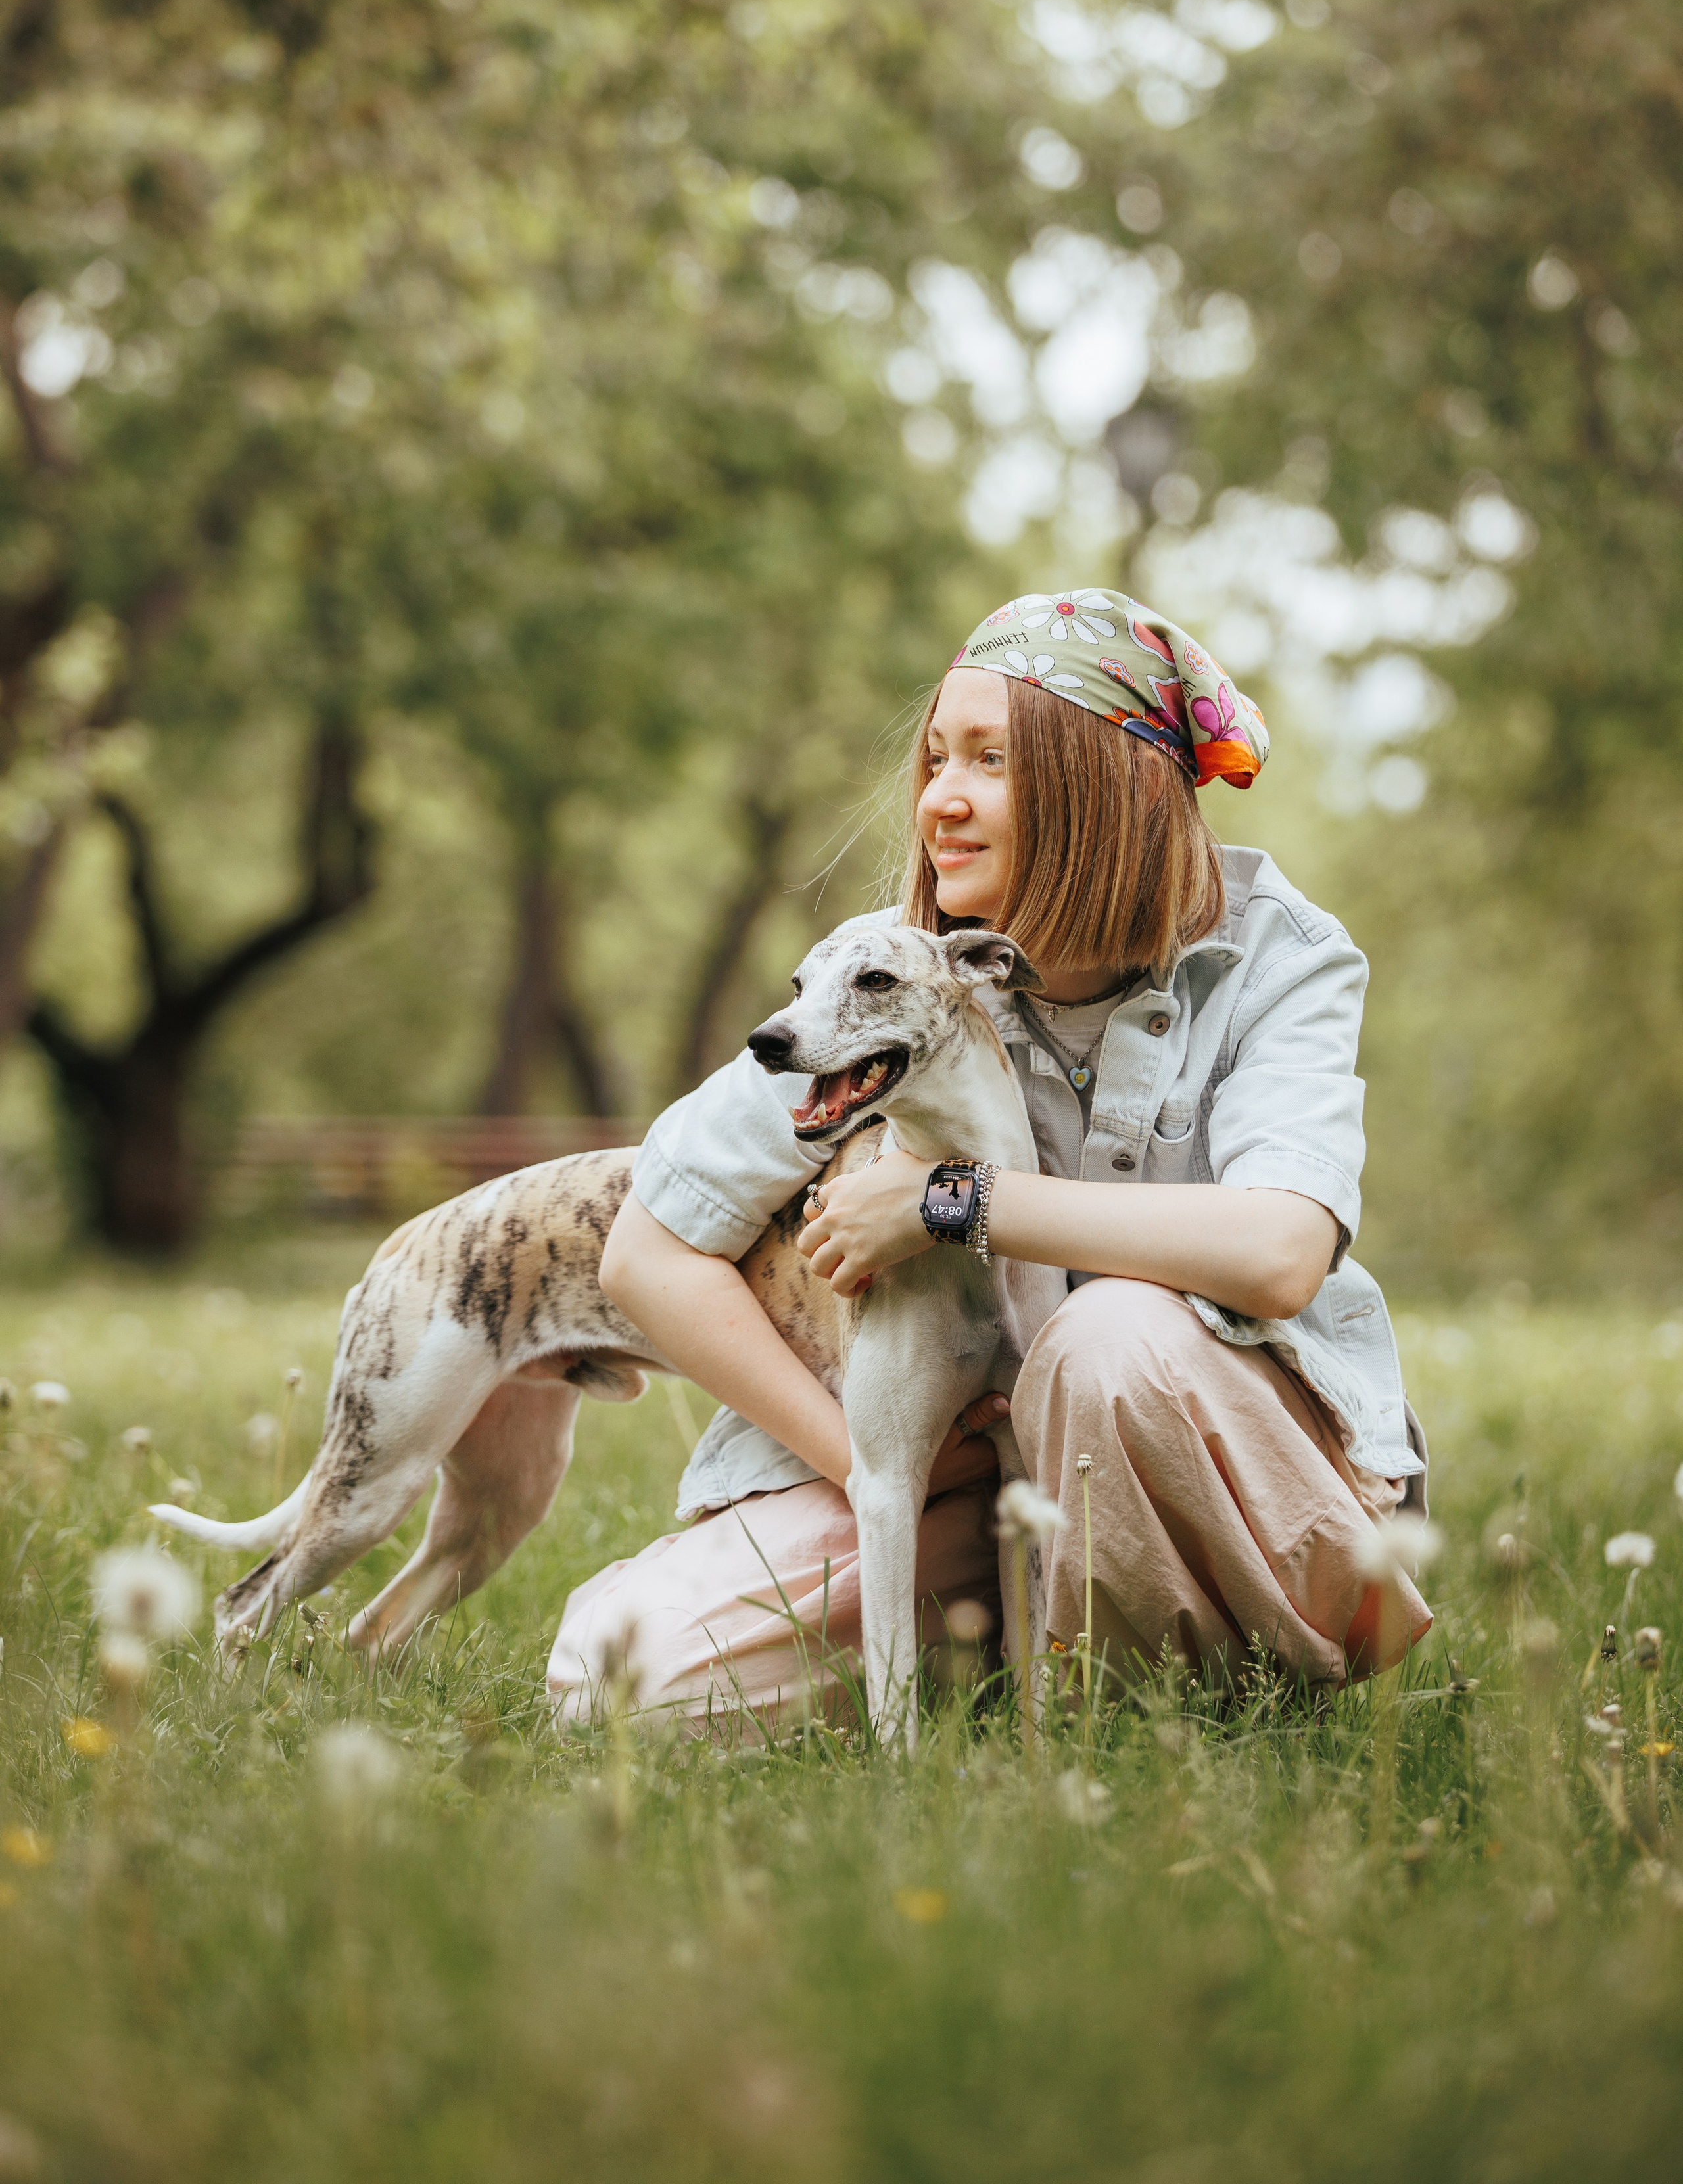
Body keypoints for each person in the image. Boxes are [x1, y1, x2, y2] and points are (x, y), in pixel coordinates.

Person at [548, 587, 1430, 1727]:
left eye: (989, 763)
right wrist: (879, 1470)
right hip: (983, 1495)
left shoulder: (1276, 959)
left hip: (1238, 1473)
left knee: (1104, 1343)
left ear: (1101, 788)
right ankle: (1003, 1659)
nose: (940, 805)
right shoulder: (895, 981)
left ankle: (1134, 1718)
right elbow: (650, 1255)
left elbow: (1278, 1252)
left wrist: (953, 1202)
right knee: (618, 1687)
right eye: (935, 761)